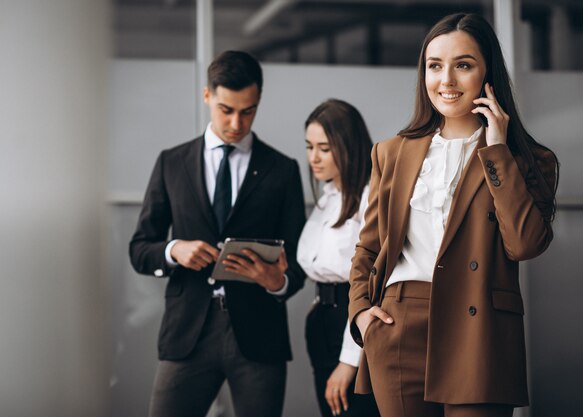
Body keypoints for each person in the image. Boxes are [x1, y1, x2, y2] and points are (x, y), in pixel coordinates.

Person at [347, 13, 559, 417]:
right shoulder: (391, 153)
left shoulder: (529, 160)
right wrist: (360, 313)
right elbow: (368, 247)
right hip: (397, 324)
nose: (446, 80)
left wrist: (496, 151)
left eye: (463, 65)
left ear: (487, 74)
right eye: (434, 66)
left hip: (478, 330)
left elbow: (525, 243)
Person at [129, 50, 306, 417]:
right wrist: (174, 249)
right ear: (207, 96)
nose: (237, 123)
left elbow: (299, 262)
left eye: (248, 110)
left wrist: (277, 282)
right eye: (227, 109)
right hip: (187, 333)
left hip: (258, 336)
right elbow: (139, 249)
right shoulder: (171, 163)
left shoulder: (282, 170)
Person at [297, 99, 380, 417]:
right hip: (323, 322)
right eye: (309, 147)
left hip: (353, 327)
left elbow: (373, 286)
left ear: (347, 147)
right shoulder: (329, 195)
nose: (313, 158)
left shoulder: (370, 198)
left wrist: (349, 361)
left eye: (324, 148)